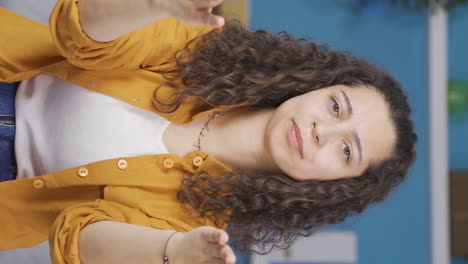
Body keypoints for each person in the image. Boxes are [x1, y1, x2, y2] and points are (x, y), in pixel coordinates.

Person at [0, 0, 417, 263]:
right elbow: (80, 34)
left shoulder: (198, 227)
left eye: (346, 151)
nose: (321, 131)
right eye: (335, 106)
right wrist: (151, 5)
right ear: (315, 84)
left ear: (333, 186)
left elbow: (77, 238)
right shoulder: (202, 52)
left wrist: (171, 252)